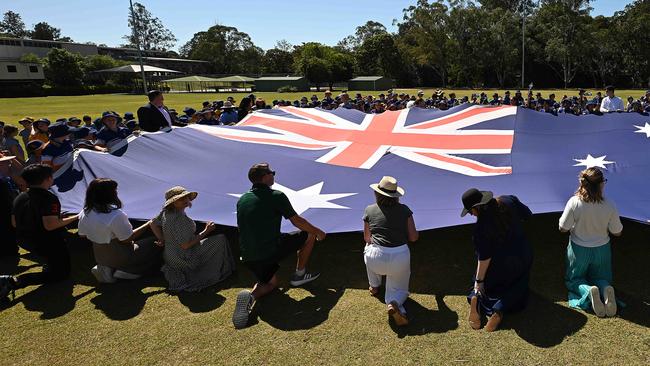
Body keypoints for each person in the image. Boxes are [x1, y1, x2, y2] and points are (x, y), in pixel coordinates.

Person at [232, 163, 326, 329]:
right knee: (309, 234)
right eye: (272, 172)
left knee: (271, 283)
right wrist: (318, 231)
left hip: (248, 255)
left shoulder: (243, 199)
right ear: (265, 177)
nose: (274, 175)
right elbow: (298, 221)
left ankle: (252, 296)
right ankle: (299, 275)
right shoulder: (276, 195)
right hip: (269, 250)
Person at [0, 164, 79, 303]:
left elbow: (14, 223)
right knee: (61, 274)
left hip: (25, 240)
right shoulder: (48, 198)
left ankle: (49, 262)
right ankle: (14, 281)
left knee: (55, 261)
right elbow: (50, 225)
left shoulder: (20, 197)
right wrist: (76, 217)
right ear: (47, 179)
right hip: (47, 241)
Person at [461, 188, 533, 332]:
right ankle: (500, 309)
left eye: (470, 211)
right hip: (521, 256)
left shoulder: (480, 229)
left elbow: (484, 258)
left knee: (483, 285)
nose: (471, 215)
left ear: (477, 208)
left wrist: (478, 281)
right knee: (519, 284)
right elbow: (528, 214)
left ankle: (475, 297)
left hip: (499, 266)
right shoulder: (509, 199)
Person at [559, 167, 622, 317]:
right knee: (601, 276)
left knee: (574, 279)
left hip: (579, 249)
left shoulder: (574, 202)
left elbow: (562, 228)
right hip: (602, 249)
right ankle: (605, 287)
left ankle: (588, 291)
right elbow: (617, 232)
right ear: (601, 184)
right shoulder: (609, 204)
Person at [149, 186, 234, 292]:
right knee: (220, 239)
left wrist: (162, 239)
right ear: (173, 203)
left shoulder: (166, 212)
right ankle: (217, 270)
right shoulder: (179, 219)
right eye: (181, 199)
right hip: (182, 257)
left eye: (186, 197)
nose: (185, 200)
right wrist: (207, 231)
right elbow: (185, 245)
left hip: (169, 255)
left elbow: (152, 223)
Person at [78, 179, 162, 283]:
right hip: (121, 255)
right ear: (109, 194)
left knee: (137, 242)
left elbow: (82, 234)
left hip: (100, 256)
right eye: (115, 190)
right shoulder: (116, 215)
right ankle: (130, 271)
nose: (117, 192)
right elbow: (127, 239)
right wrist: (148, 224)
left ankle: (108, 268)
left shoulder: (85, 212)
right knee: (155, 243)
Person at [363, 176, 418, 326]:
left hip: (375, 258)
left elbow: (367, 238)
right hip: (399, 257)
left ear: (377, 193)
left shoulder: (369, 209)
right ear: (395, 195)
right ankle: (394, 303)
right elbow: (413, 237)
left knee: (368, 248)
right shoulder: (405, 210)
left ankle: (374, 286)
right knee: (399, 289)